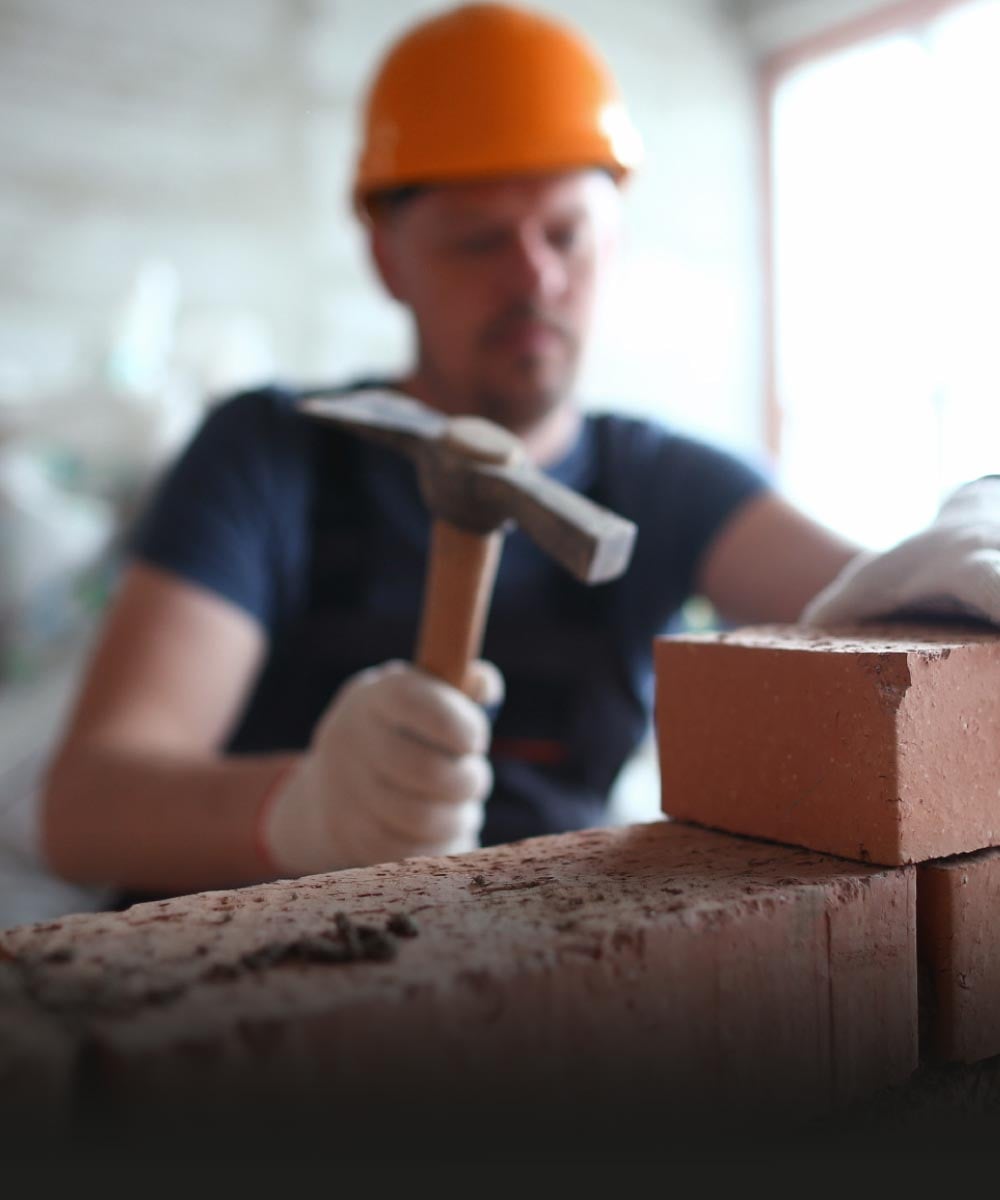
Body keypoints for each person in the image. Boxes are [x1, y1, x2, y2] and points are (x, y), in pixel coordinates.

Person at [9, 1, 1000, 918]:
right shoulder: (267, 453)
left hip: (528, 980)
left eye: (565, 232)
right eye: (478, 241)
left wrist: (971, 553)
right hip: (233, 984)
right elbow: (85, 803)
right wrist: (304, 813)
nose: (533, 275)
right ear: (386, 259)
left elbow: (890, 610)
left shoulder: (669, 483)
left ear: (611, 240)